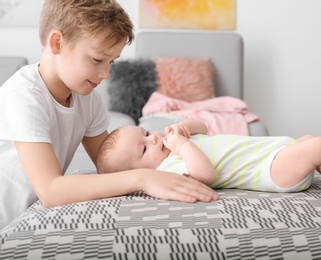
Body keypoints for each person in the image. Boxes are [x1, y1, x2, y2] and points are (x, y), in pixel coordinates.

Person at [0, 0, 217, 231]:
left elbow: (112, 165)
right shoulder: (24, 96)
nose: (106, 74)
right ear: (57, 43)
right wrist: (144, 178)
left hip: (30, 218)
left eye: (111, 61)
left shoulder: (87, 98)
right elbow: (51, 190)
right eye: (97, 60)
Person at [97, 119, 321, 193]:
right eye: (144, 148)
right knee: (320, 146)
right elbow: (205, 176)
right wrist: (183, 146)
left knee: (306, 140)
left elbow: (205, 129)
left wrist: (186, 128)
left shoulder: (175, 144)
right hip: (271, 171)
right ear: (139, 171)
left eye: (146, 132)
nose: (153, 138)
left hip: (275, 151)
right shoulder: (170, 168)